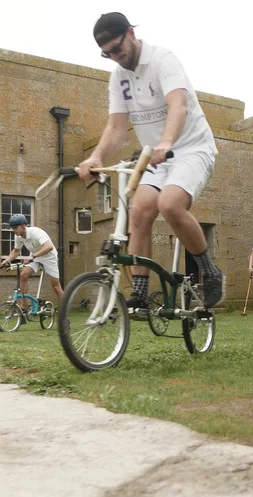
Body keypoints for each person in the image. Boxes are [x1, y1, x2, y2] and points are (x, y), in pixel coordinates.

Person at [75, 12, 224, 312]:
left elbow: (178, 106)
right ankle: (140, 293)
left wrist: (166, 142)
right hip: (156, 157)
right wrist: (96, 156)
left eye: (117, 48)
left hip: (191, 148)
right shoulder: (118, 77)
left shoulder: (163, 60)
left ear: (131, 33)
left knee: (169, 204)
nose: (115, 57)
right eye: (107, 54)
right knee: (139, 210)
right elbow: (116, 127)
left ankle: (210, 272)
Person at [0, 214, 64, 307]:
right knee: (23, 274)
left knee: (56, 286)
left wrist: (33, 256)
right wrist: (7, 261)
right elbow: (16, 251)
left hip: (49, 257)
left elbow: (49, 247)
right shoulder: (18, 236)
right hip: (35, 257)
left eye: (15, 227)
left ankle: (63, 311)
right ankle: (23, 307)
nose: (13, 230)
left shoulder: (36, 232)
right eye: (12, 228)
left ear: (23, 225)